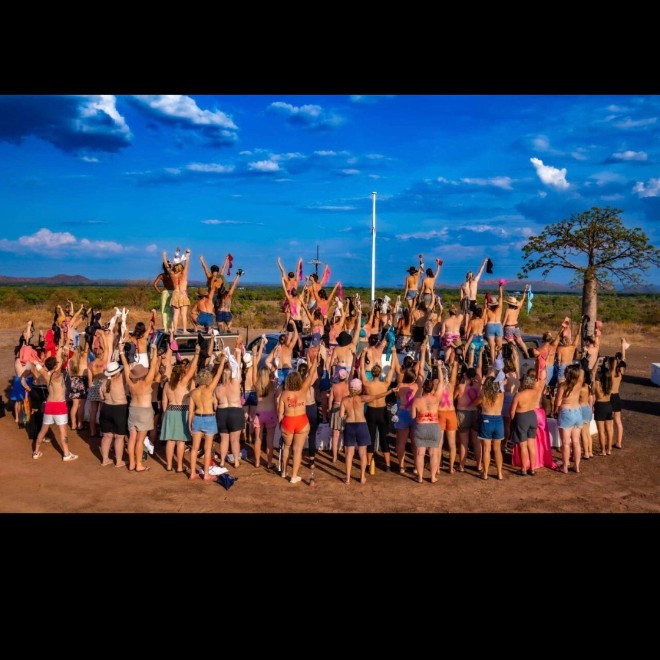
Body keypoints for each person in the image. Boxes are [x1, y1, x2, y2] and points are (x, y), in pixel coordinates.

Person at [29, 333, 78, 461]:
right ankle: (66, 454)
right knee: (63, 432)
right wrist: (62, 344)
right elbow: (59, 357)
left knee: (43, 430)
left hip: (49, 405)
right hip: (60, 406)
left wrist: (34, 360)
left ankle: (36, 452)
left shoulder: (46, 374)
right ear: (55, 366)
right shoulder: (58, 373)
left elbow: (38, 366)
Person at [277, 357, 319, 484]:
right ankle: (294, 476)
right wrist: (314, 362)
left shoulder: (284, 394)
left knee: (287, 447)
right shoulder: (303, 390)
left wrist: (281, 426)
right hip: (301, 421)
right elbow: (310, 375)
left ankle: (284, 472)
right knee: (297, 450)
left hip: (288, 421)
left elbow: (280, 413)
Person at [161, 346, 200, 472]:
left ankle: (168, 465)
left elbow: (164, 401)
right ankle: (179, 466)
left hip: (170, 411)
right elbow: (192, 369)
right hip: (182, 412)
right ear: (182, 373)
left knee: (170, 441)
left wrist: (164, 414)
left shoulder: (167, 384)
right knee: (181, 441)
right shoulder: (182, 383)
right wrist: (196, 354)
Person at [120, 344, 158, 472]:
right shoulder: (147, 383)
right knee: (140, 440)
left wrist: (122, 353)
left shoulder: (130, 383)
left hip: (133, 410)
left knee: (132, 438)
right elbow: (153, 365)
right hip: (144, 411)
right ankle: (139, 464)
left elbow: (126, 366)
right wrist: (154, 351)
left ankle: (131, 463)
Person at [189, 354, 227, 481]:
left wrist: (189, 425)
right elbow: (218, 374)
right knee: (207, 448)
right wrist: (222, 361)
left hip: (197, 418)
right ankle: (205, 474)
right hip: (209, 419)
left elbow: (191, 411)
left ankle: (192, 473)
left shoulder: (193, 393)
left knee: (194, 448)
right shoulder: (209, 389)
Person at [361, 352, 398, 471]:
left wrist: (362, 356)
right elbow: (392, 368)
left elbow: (361, 369)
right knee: (384, 438)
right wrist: (393, 353)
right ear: (380, 373)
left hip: (371, 411)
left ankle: (368, 464)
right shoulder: (385, 384)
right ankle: (388, 465)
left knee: (370, 438)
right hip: (382, 411)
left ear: (372, 373)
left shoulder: (367, 384)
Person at [510, 371, 544, 475]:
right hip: (532, 416)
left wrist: (512, 421)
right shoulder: (535, 392)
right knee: (531, 445)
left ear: (523, 383)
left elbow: (512, 411)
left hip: (522, 418)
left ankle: (524, 469)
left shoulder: (519, 395)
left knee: (523, 446)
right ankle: (532, 469)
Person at [215, 347, 245, 468]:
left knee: (224, 439)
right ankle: (236, 461)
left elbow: (215, 404)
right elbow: (238, 369)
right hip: (235, 411)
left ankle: (222, 461)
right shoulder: (235, 383)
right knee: (235, 440)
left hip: (221, 412)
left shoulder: (218, 388)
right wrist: (238, 355)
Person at [411, 373, 442, 484]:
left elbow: (413, 416)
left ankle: (420, 477)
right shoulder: (436, 399)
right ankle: (433, 477)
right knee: (433, 454)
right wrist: (440, 369)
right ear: (432, 388)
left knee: (420, 453)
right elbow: (441, 383)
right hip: (434, 426)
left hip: (421, 427)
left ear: (423, 388)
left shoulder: (417, 401)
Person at [455, 354, 483, 473]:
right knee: (476, 441)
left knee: (464, 442)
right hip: (474, 412)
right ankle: (479, 465)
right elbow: (479, 368)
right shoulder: (478, 385)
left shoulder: (461, 386)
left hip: (462, 413)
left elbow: (453, 398)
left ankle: (461, 466)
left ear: (465, 375)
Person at [554, 364, 584, 473]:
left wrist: (555, 409)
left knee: (566, 443)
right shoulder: (579, 383)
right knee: (576, 442)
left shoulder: (563, 386)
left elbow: (558, 402)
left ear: (568, 374)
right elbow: (582, 372)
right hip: (577, 412)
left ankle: (565, 466)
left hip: (566, 412)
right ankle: (577, 466)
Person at [474, 376, 505, 480]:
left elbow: (475, 403)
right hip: (498, 420)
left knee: (486, 449)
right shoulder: (501, 395)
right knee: (497, 449)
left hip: (486, 419)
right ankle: (499, 473)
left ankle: (485, 473)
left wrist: (481, 386)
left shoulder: (483, 394)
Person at [254, 364, 280, 470]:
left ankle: (257, 462)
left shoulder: (257, 384)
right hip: (270, 413)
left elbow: (253, 373)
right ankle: (269, 463)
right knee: (270, 439)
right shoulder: (273, 385)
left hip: (259, 414)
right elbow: (276, 377)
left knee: (258, 439)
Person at [297, 359, 320, 474]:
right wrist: (314, 360)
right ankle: (312, 461)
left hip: (302, 408)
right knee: (312, 435)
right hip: (312, 407)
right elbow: (314, 372)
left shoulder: (297, 383)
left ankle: (298, 457)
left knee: (300, 435)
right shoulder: (310, 380)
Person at [162, 248, 191, 334]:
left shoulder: (172, 274)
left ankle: (175, 330)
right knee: (183, 314)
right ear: (181, 268)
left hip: (175, 294)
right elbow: (186, 264)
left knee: (176, 314)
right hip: (183, 294)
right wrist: (187, 255)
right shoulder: (184, 274)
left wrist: (164, 256)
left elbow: (167, 266)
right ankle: (184, 330)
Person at [437, 360, 459, 474]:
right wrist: (455, 365)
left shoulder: (439, 386)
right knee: (452, 444)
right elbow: (454, 376)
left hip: (440, 412)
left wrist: (439, 367)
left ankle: (437, 468)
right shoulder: (451, 385)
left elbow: (441, 379)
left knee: (439, 443)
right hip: (451, 412)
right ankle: (451, 467)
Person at [266, 320, 298, 387]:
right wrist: (294, 325)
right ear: (286, 340)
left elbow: (267, 361)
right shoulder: (289, 347)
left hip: (278, 372)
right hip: (287, 370)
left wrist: (273, 368)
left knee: (279, 391)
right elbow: (296, 336)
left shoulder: (276, 349)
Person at [592, 360, 614, 456]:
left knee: (601, 431)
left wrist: (597, 361)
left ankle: (603, 450)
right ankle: (609, 449)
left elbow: (593, 372)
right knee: (609, 429)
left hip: (600, 406)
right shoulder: (610, 384)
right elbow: (611, 371)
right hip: (609, 405)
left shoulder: (597, 384)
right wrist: (607, 363)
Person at [328, 367, 349, 463]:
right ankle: (347, 456)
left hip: (336, 408)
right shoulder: (348, 386)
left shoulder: (334, 386)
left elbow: (330, 400)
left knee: (335, 435)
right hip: (346, 408)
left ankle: (335, 457)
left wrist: (329, 410)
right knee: (346, 434)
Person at [502, 286, 530, 358]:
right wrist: (525, 290)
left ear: (509, 303)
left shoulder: (508, 310)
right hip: (516, 326)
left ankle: (516, 355)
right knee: (520, 341)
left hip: (509, 327)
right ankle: (527, 354)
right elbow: (523, 299)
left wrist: (501, 328)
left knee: (512, 342)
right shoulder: (518, 308)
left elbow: (504, 321)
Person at [611, 338, 628, 449]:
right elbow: (623, 359)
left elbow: (620, 360)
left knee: (610, 422)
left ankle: (609, 442)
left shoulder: (611, 372)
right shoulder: (620, 373)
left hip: (610, 397)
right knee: (618, 421)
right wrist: (623, 346)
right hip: (617, 396)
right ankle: (619, 442)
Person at [67, 345, 88, 431]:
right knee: (81, 406)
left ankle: (73, 424)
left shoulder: (70, 361)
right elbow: (86, 372)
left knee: (74, 405)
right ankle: (80, 424)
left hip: (73, 382)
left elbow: (69, 374)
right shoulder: (84, 359)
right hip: (82, 382)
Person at [484, 280, 504, 364]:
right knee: (499, 346)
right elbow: (501, 297)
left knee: (492, 346)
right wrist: (500, 287)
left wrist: (486, 298)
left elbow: (485, 305)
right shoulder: (499, 308)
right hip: (498, 325)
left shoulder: (487, 310)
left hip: (490, 325)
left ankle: (493, 362)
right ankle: (500, 362)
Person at [153, 265, 175, 332]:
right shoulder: (173, 274)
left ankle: (165, 328)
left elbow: (155, 284)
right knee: (172, 310)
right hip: (173, 292)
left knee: (164, 311)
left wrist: (160, 291)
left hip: (165, 292)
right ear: (170, 267)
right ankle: (172, 327)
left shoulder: (162, 275)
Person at [579, 376, 594, 460]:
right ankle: (590, 451)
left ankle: (586, 453)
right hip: (588, 408)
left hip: (582, 409)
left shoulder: (580, 388)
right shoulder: (588, 386)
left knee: (583, 433)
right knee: (587, 432)